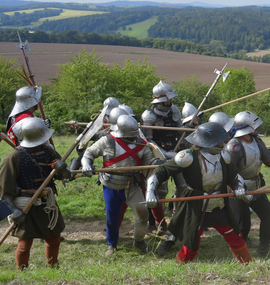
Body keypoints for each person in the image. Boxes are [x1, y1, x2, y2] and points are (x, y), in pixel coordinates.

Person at [147, 122, 252, 264]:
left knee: (235, 238)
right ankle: (180, 268)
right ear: (209, 142)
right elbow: (160, 172)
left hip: (220, 206)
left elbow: (233, 175)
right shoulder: (187, 157)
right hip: (196, 207)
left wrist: (239, 187)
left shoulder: (223, 155)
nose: (223, 143)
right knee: (191, 244)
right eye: (220, 141)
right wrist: (151, 192)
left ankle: (248, 265)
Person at [81, 115, 162, 256]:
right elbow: (89, 153)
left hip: (133, 186)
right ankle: (112, 244)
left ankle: (139, 241)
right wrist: (86, 164)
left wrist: (159, 163)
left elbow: (150, 162)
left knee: (143, 214)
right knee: (112, 217)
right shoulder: (107, 141)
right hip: (111, 185)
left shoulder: (142, 144)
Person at [226, 111, 270, 257]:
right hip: (237, 190)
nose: (256, 129)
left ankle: (263, 249)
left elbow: (268, 159)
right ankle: (241, 254)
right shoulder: (234, 146)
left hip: (256, 186)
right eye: (254, 126)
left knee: (268, 216)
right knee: (243, 225)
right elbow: (228, 172)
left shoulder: (257, 141)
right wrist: (237, 188)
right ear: (246, 128)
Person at [0, 118, 70, 269]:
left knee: (54, 238)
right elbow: (5, 190)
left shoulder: (48, 151)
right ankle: (22, 270)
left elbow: (65, 176)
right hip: (27, 204)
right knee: (25, 242)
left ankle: (53, 266)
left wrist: (62, 169)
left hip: (47, 202)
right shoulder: (14, 157)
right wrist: (14, 210)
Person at [141, 81, 183, 235]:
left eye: (170, 98)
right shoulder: (149, 115)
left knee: (184, 187)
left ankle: (180, 219)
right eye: (167, 98)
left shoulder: (174, 110)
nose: (169, 101)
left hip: (176, 151)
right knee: (159, 192)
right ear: (159, 98)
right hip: (157, 155)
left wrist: (187, 129)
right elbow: (148, 140)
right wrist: (165, 154)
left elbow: (180, 131)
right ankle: (155, 224)